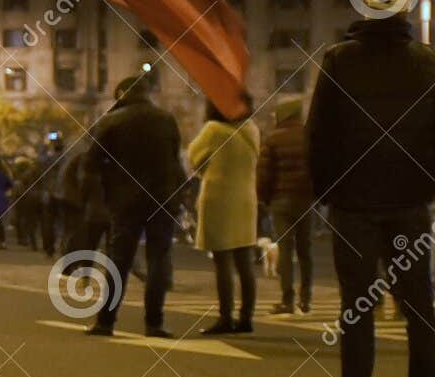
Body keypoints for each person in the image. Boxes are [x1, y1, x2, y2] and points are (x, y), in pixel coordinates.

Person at [306, 0, 435, 377]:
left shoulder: (340, 59)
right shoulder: (426, 62)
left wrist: (326, 192)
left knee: (357, 305)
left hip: (354, 202)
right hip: (409, 203)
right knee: (419, 303)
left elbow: (319, 132)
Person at [85, 76, 184, 338]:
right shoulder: (166, 119)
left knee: (119, 259)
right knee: (158, 259)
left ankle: (106, 321)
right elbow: (176, 162)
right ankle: (155, 323)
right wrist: (179, 196)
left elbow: (91, 163)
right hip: (162, 200)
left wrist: (102, 193)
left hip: (125, 201)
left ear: (121, 95)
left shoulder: (111, 121)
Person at [187, 98, 259, 334]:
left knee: (223, 262)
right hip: (246, 200)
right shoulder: (252, 129)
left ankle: (225, 317)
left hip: (219, 199)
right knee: (245, 262)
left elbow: (194, 158)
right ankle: (246, 317)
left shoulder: (213, 130)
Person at [256, 97, 313, 314]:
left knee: (286, 250)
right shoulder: (309, 136)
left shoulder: (273, 139)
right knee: (305, 251)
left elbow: (264, 174)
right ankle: (306, 299)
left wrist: (264, 198)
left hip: (281, 201)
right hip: (305, 200)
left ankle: (287, 300)